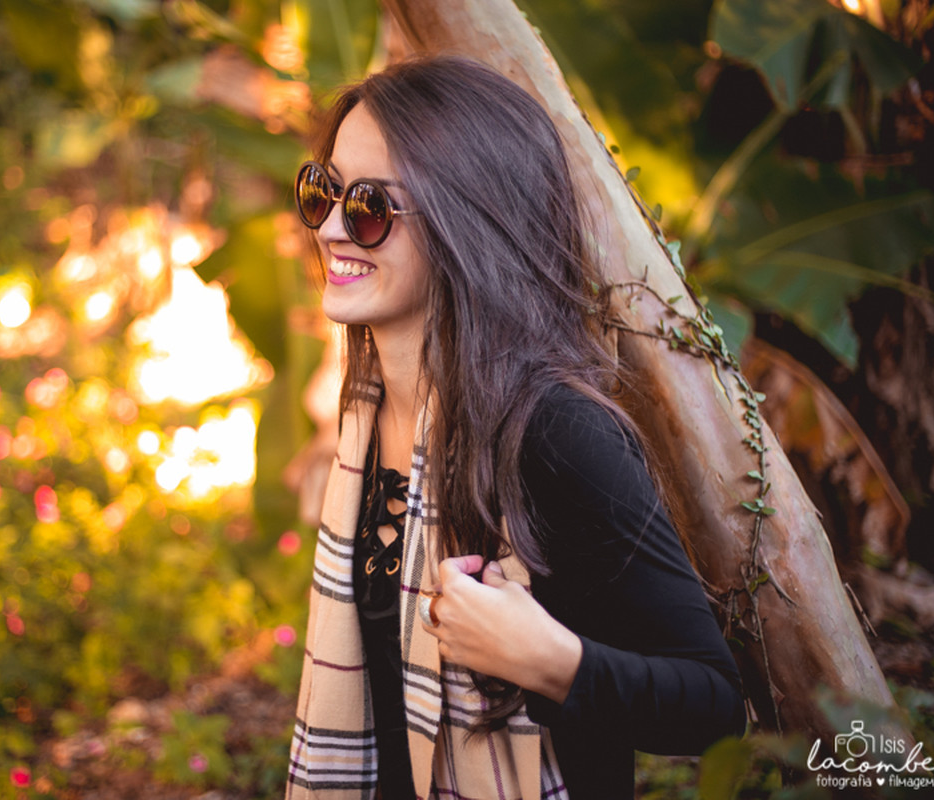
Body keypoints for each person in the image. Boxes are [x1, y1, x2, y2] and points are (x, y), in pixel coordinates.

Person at [286, 55, 746, 800]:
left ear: (468, 221)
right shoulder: (363, 417)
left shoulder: (556, 437)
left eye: (369, 206)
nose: (333, 228)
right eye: (324, 191)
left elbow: (714, 704)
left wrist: (549, 660)